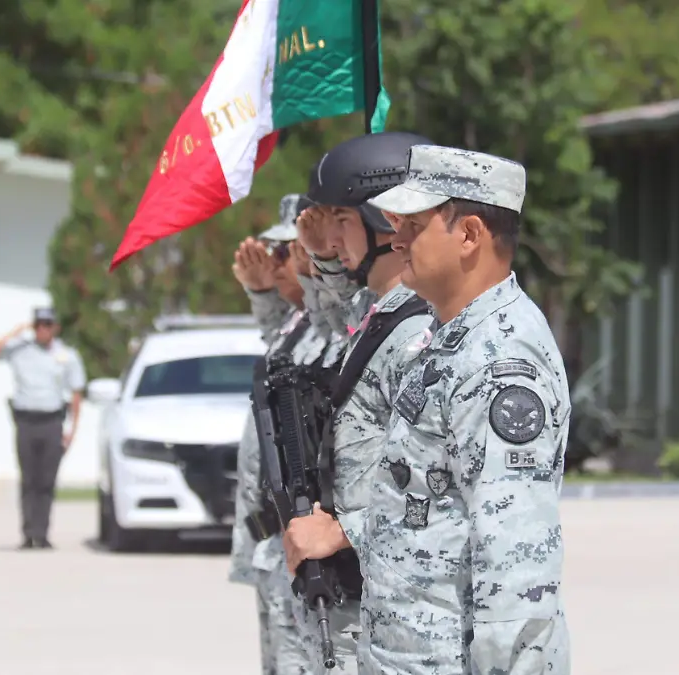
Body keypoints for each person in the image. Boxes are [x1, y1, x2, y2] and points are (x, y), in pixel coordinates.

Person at [313, 143, 572, 674]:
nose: (396, 238)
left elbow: (517, 565)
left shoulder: (500, 360)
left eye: (414, 223)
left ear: (470, 235)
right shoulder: (447, 339)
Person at [281, 131, 437, 675]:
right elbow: (330, 322)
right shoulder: (381, 318)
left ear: (385, 220)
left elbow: (439, 489)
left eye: (341, 219)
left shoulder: (418, 330)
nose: (328, 234)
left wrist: (344, 531)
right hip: (356, 592)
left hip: (395, 603)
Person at [229, 194, 342, 675]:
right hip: (275, 534)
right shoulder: (298, 323)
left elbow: (330, 331)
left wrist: (324, 268)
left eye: (288, 251)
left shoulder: (336, 323)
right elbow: (282, 345)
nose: (279, 264)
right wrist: (260, 295)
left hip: (304, 534)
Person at [0, 307, 87, 550]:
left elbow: (76, 393)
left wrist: (72, 429)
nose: (43, 330)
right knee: (28, 480)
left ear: (55, 327)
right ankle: (28, 534)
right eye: (38, 325)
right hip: (26, 421)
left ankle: (43, 533)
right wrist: (14, 333)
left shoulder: (67, 355)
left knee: (46, 480)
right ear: (33, 326)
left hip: (52, 422)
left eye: (48, 325)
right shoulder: (20, 351)